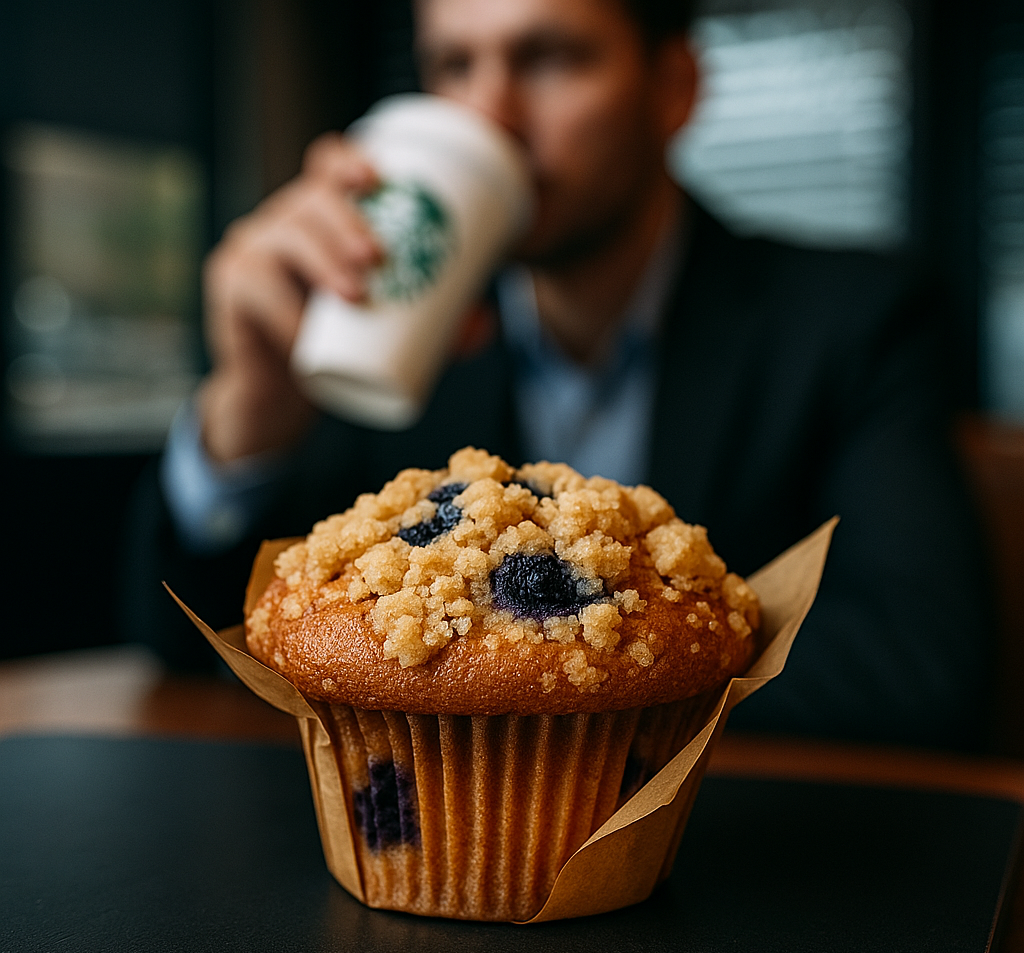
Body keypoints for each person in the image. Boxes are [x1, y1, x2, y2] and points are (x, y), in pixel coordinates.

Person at [123, 0, 991, 748]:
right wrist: (251, 412)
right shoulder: (385, 326)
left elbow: (922, 665)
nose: (488, 115)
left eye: (550, 57)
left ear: (674, 87)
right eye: (453, 65)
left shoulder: (852, 316)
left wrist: (557, 680)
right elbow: (189, 645)